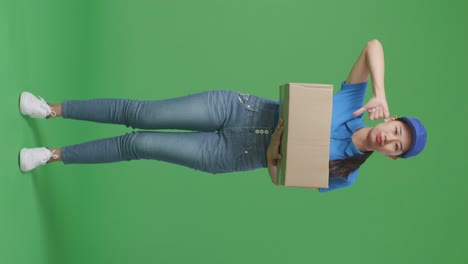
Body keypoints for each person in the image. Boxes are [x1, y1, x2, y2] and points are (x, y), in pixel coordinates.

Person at [18, 39, 427, 192]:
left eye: (396, 146)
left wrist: (272, 150)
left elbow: (279, 176)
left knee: (138, 143)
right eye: (396, 130)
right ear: (390, 119)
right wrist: (380, 90)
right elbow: (373, 45)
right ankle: (50, 109)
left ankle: (51, 155)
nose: (389, 139)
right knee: (139, 112)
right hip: (236, 107)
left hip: (231, 155)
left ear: (391, 156)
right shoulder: (355, 101)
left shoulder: (347, 174)